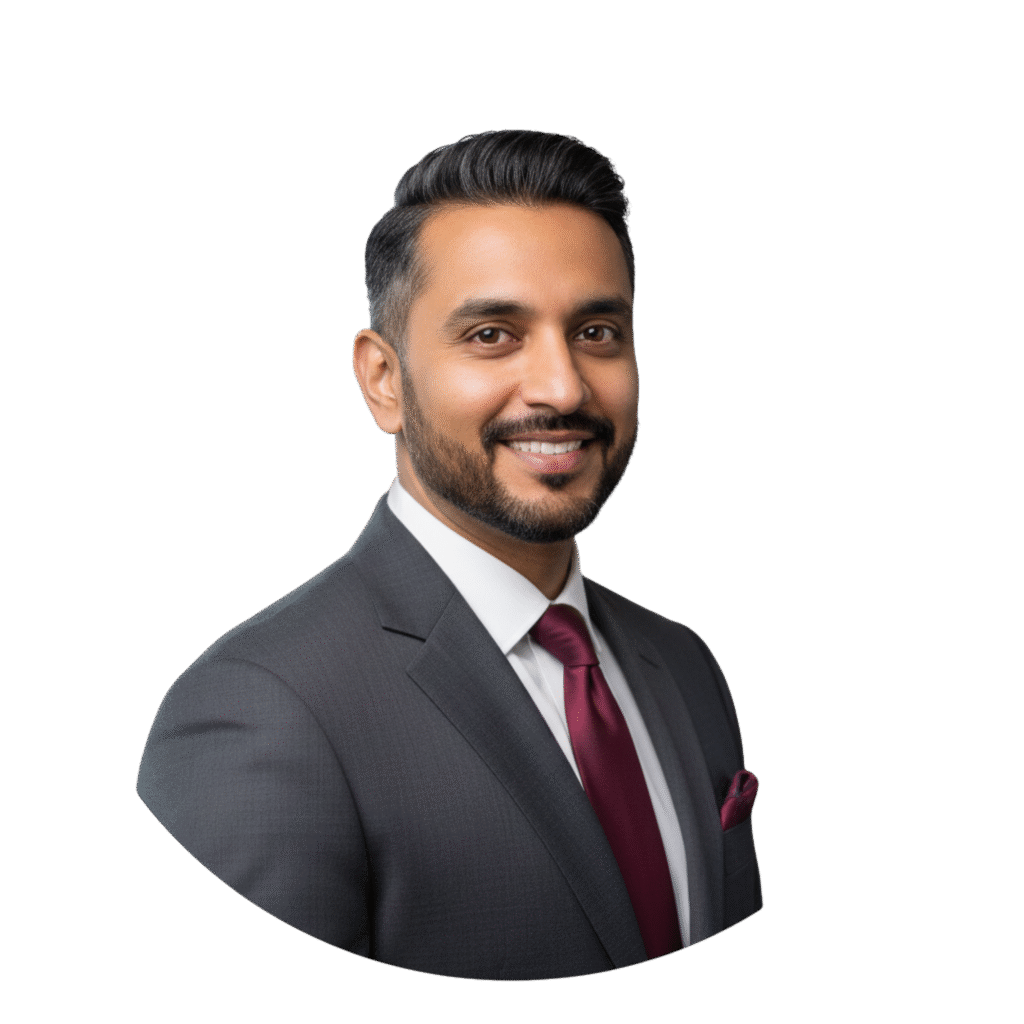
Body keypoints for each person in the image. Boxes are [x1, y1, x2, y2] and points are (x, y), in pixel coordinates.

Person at [137, 129, 762, 981]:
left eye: (597, 330)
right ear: (383, 380)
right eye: (493, 334)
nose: (564, 387)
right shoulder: (262, 713)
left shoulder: (683, 664)